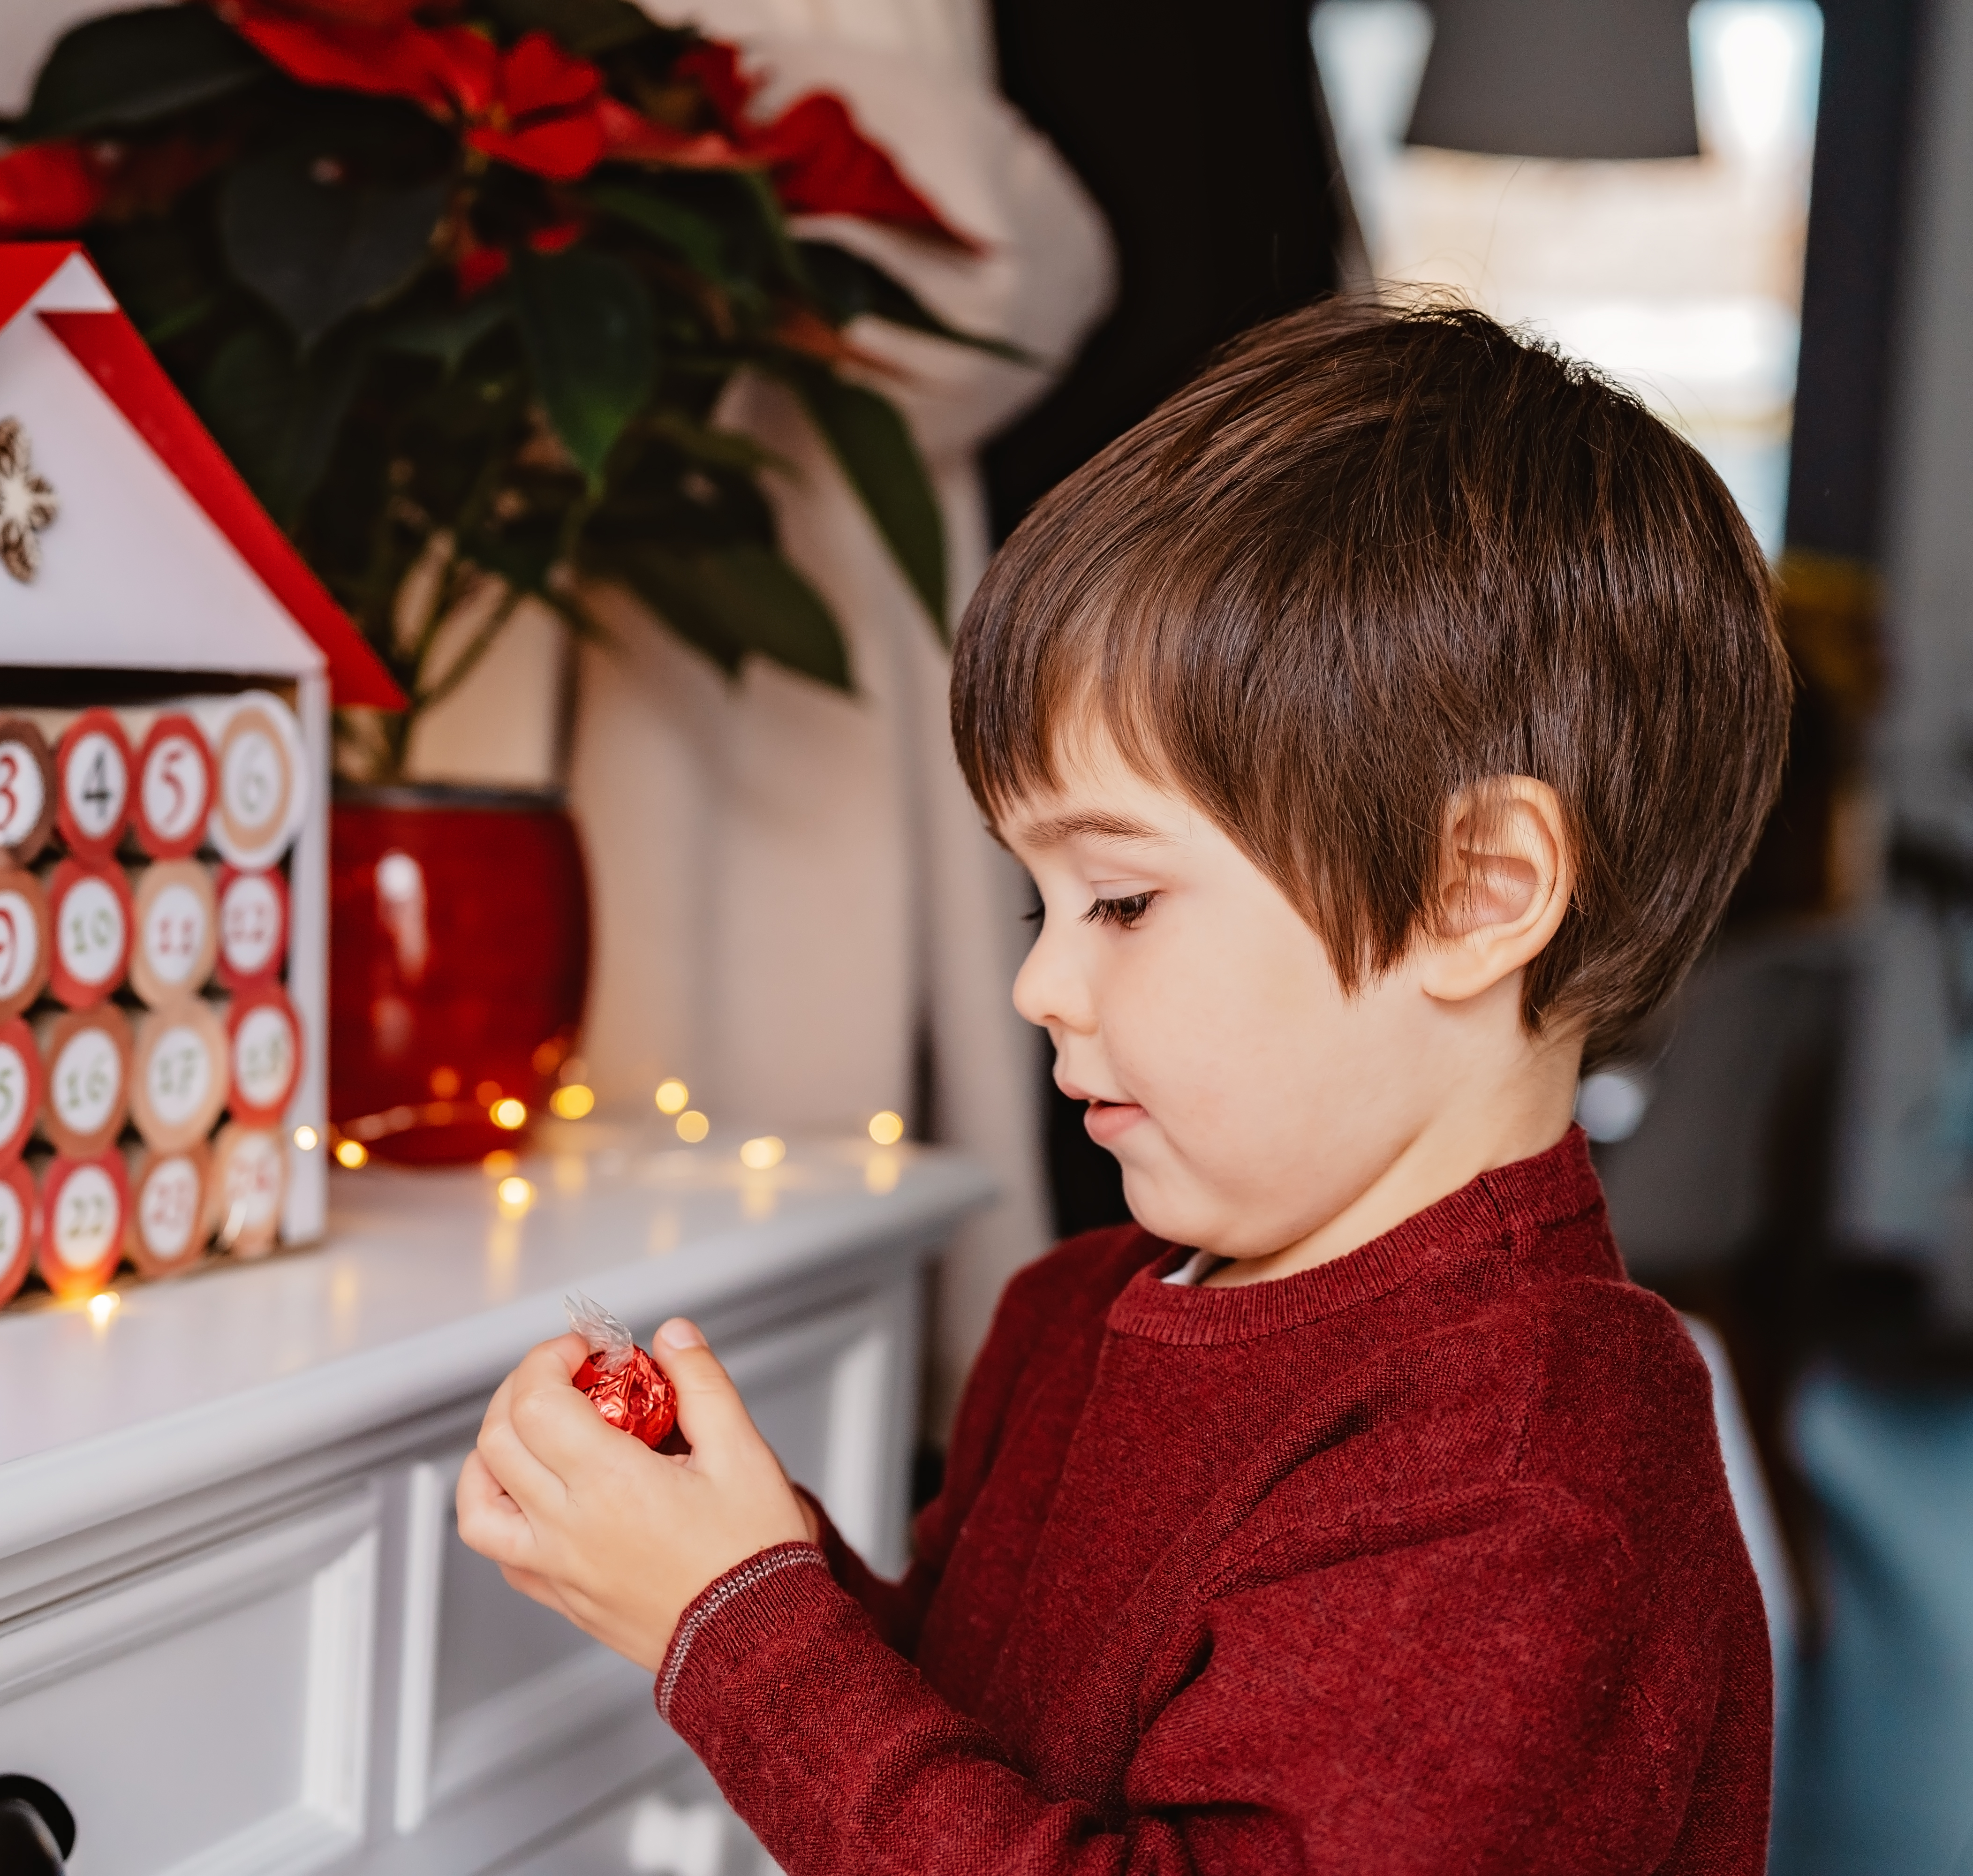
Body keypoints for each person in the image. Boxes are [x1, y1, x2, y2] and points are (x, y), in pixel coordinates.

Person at [456, 297, 1787, 1872]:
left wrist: (737, 1633)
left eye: (1123, 902)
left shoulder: (1526, 1458)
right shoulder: (1077, 1312)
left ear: (1477, 894)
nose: (1039, 983)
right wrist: (749, 1560)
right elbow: (987, 1776)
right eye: (1039, 904)